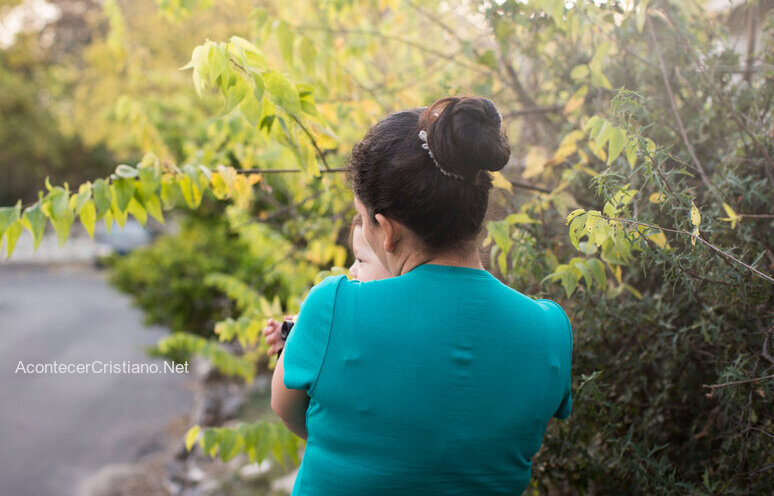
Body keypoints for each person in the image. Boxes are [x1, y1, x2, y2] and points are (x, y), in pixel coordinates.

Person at [269, 95, 573, 495]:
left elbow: (290, 411)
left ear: (387, 230)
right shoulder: (550, 331)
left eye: (363, 219)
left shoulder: (333, 306)